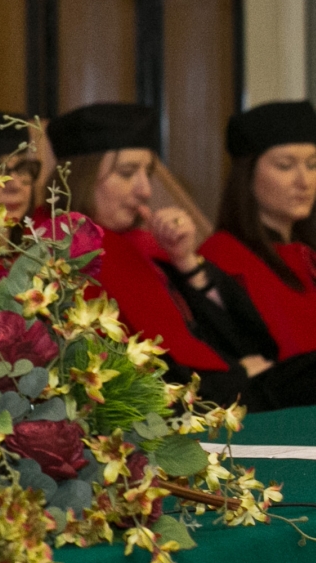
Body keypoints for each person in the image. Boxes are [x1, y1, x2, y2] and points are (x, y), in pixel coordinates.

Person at [48, 102, 316, 409]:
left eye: (148, 173)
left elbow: (234, 339)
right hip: (185, 405)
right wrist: (237, 373)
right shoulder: (66, 250)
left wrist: (186, 261)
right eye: (127, 173)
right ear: (80, 176)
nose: (145, 191)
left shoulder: (144, 246)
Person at [200, 100, 316, 358]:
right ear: (248, 174)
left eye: (312, 165)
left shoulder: (307, 253)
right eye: (285, 166)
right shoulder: (222, 256)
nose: (304, 181)